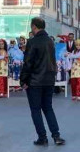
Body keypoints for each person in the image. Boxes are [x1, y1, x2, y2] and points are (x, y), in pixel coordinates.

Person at [21, 17, 66, 145]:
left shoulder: (32, 42)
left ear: (34, 27)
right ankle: (56, 135)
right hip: (49, 80)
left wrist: (23, 79)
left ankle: (42, 137)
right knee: (48, 108)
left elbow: (28, 63)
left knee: (36, 110)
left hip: (35, 81)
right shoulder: (51, 41)